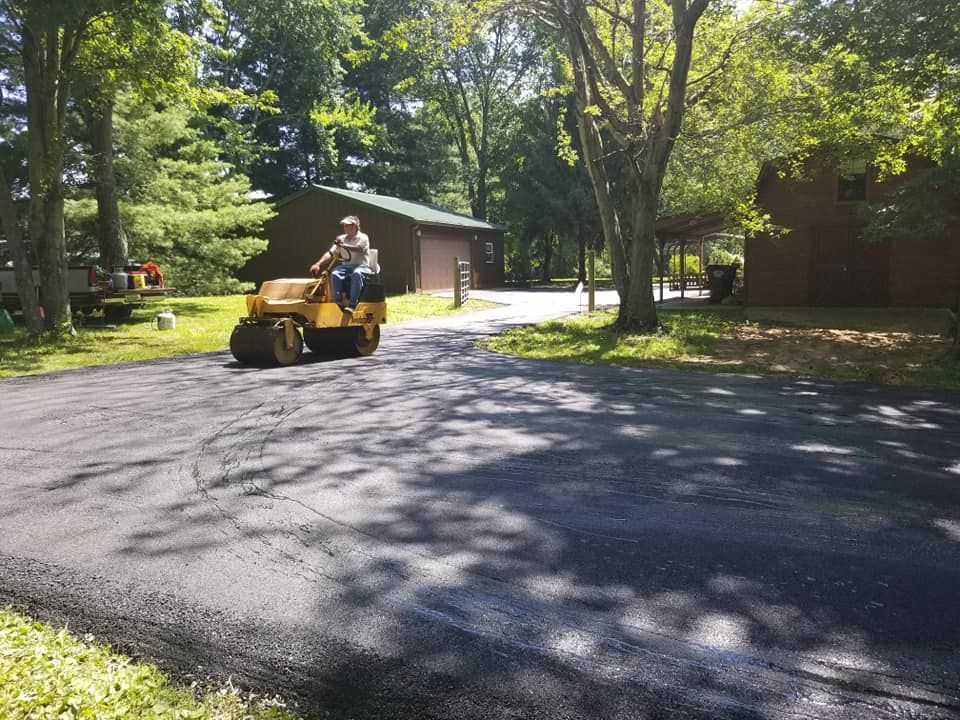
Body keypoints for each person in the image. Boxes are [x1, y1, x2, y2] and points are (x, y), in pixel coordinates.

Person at [310, 215, 373, 314]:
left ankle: (352, 305)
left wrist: (342, 245)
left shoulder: (363, 237)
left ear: (355, 226)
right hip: (346, 266)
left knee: (357, 273)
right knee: (335, 273)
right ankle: (338, 304)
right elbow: (330, 253)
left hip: (362, 266)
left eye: (348, 225)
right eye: (345, 226)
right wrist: (318, 264)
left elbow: (359, 248)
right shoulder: (341, 239)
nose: (346, 228)